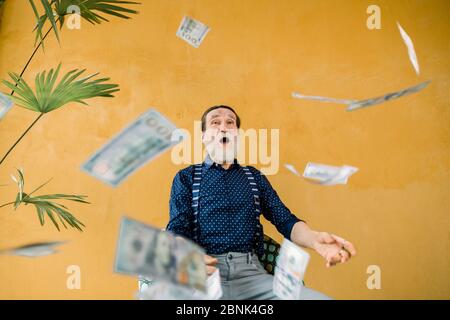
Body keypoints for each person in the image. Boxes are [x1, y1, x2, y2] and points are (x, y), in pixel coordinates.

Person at [166, 105, 357, 300]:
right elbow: (177, 228)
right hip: (203, 275)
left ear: (237, 135)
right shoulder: (186, 177)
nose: (223, 127)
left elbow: (285, 220)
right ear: (204, 136)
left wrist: (314, 239)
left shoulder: (254, 177)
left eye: (230, 122)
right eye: (215, 122)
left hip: (253, 276)